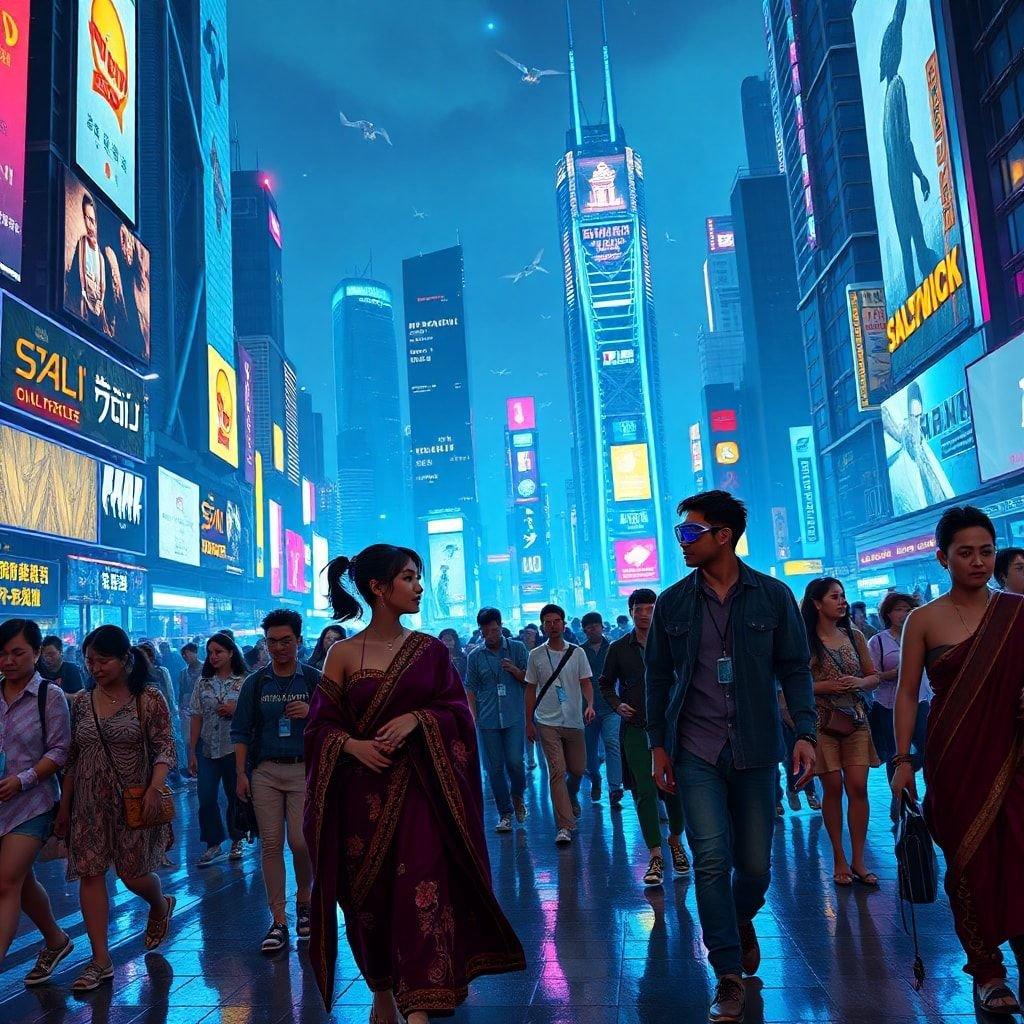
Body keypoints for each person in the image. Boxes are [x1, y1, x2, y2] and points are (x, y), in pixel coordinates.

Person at [304, 545, 525, 1022]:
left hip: (423, 796)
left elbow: (457, 715)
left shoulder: (430, 652)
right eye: (408, 577)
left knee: (422, 893)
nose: (419, 586)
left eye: (418, 577)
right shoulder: (341, 654)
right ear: (377, 588)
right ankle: (383, 991)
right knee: (367, 902)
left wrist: (419, 721)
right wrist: (353, 746)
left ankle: (420, 1007)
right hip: (360, 801)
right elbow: (319, 728)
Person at [647, 490, 816, 1024]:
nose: (682, 542)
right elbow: (656, 675)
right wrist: (657, 745)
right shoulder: (673, 602)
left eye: (691, 533)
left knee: (756, 867)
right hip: (693, 749)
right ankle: (726, 973)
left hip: (757, 747)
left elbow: (795, 668)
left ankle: (738, 921)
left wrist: (805, 732)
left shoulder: (772, 596)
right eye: (680, 533)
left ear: (724, 536)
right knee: (711, 861)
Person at [892, 506, 1024, 1014]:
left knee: (1017, 851)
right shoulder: (923, 620)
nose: (977, 562)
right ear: (942, 557)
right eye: (965, 553)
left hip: (1014, 750)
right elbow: (906, 693)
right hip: (953, 754)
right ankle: (987, 971)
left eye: (986, 552)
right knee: (966, 860)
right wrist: (902, 758)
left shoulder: (1017, 611)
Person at [56, 626, 177, 992]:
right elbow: (74, 758)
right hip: (89, 804)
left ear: (125, 659)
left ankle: (159, 903)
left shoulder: (148, 698)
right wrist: (64, 808)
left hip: (134, 800)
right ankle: (100, 960)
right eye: (89, 661)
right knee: (91, 875)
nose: (95, 668)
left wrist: (156, 787)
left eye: (103, 660)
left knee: (132, 875)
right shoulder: (82, 702)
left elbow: (164, 748)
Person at [232, 609, 318, 954]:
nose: (279, 648)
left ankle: (305, 902)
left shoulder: (312, 679)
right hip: (265, 771)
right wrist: (241, 773)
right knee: (270, 845)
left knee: (299, 841)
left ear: (298, 641)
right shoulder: (256, 683)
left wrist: (313, 711)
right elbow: (240, 730)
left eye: (286, 641)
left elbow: (337, 722)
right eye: (272, 642)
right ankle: (279, 920)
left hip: (302, 770)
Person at [0, 619, 73, 985]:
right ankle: (56, 940)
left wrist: (23, 780)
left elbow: (60, 750)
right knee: (20, 880)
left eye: (17, 652)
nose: (8, 660)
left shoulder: (50, 695)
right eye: (2, 653)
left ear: (36, 652)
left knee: (6, 881)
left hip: (34, 803)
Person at [600, 590, 689, 887]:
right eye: (639, 609)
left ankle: (676, 841)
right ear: (630, 611)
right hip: (636, 727)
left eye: (650, 609)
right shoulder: (618, 648)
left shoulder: (672, 643)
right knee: (644, 791)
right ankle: (655, 854)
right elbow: (605, 684)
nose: (644, 614)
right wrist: (616, 704)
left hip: (671, 727)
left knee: (674, 789)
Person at [802, 578, 881, 887]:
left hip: (856, 719)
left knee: (858, 786)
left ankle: (859, 859)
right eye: (835, 596)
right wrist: (825, 686)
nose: (842, 601)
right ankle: (838, 856)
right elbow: (792, 686)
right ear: (817, 603)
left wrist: (859, 683)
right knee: (832, 786)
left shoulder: (855, 636)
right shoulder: (804, 641)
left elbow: (873, 676)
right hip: (822, 723)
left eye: (843, 596)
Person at [525, 604, 596, 846]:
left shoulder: (577, 653)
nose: (552, 625)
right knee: (556, 770)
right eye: (548, 622)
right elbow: (530, 689)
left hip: (574, 719)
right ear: (542, 626)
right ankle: (565, 825)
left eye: (556, 621)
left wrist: (590, 704)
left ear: (563, 624)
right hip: (547, 720)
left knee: (577, 769)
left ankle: (571, 794)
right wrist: (529, 721)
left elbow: (586, 682)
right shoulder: (535, 655)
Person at [464, 607, 529, 833]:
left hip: (514, 716)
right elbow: (470, 687)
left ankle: (518, 794)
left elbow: (530, 680)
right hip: (487, 719)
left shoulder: (517, 649)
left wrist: (514, 670)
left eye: (494, 630)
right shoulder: (475, 656)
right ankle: (505, 813)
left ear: (501, 626)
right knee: (494, 768)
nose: (491, 635)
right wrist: (472, 714)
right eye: (486, 632)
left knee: (515, 762)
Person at [867, 592, 931, 820]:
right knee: (896, 754)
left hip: (921, 701)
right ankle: (899, 799)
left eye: (907, 609)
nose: (903, 614)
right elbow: (871, 675)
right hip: (888, 706)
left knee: (927, 749)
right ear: (887, 614)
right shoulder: (878, 641)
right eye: (898, 610)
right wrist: (893, 674)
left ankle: (923, 794)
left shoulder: (921, 636)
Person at [187, 633, 247, 867]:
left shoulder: (244, 681)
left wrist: (236, 709)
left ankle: (237, 838)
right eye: (210, 652)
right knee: (206, 797)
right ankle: (213, 842)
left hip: (234, 748)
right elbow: (196, 715)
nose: (213, 657)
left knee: (235, 795)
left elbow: (253, 715)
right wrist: (192, 750)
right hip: (208, 748)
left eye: (218, 652)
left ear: (231, 653)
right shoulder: (203, 682)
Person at [580, 611, 623, 806]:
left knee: (612, 744)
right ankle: (595, 778)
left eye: (595, 626)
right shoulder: (579, 652)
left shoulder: (614, 648)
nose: (592, 629)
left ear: (601, 627)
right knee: (589, 752)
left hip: (611, 706)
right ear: (584, 630)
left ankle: (615, 788)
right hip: (586, 709)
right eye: (588, 627)